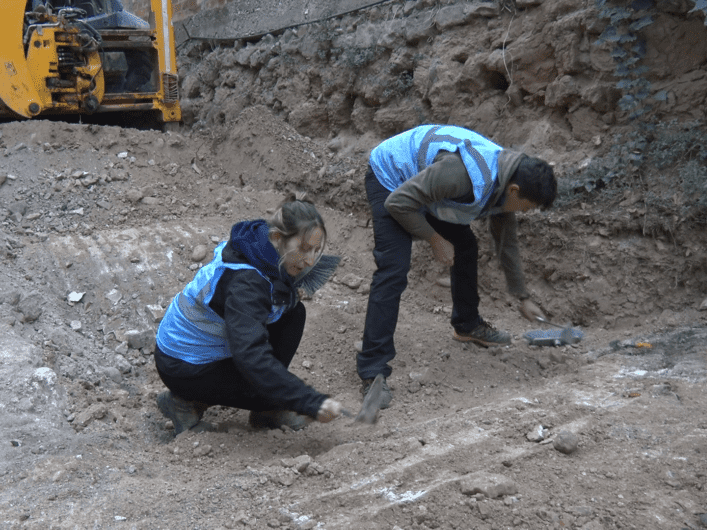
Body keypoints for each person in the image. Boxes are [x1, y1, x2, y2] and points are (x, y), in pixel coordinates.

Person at [358, 124, 557, 408]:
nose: (524, 212)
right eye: (527, 207)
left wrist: (522, 296)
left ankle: (467, 324)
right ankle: (372, 372)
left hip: (424, 185)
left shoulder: (506, 181)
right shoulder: (464, 175)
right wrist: (434, 239)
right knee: (393, 270)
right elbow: (399, 202)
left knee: (465, 246)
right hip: (391, 178)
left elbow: (507, 243)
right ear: (515, 190)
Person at [154, 194, 343, 434]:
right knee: (265, 382)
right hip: (182, 365)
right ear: (277, 238)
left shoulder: (258, 245)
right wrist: (308, 401)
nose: (309, 260)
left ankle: (265, 409)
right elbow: (251, 356)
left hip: (194, 352)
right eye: (304, 249)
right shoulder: (247, 285)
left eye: (316, 251)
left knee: (293, 315)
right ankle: (182, 402)